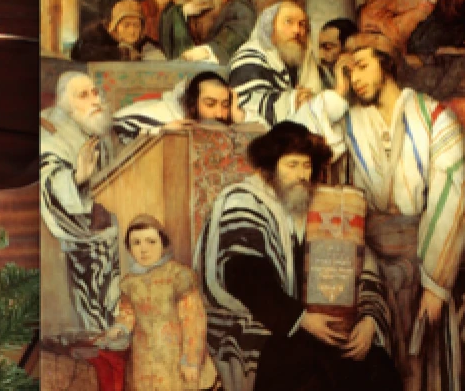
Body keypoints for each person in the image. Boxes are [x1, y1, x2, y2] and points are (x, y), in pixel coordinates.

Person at [289, 33, 465, 390]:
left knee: (427, 370)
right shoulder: (350, 122)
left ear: (387, 64)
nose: (354, 77)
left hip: (428, 263)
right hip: (372, 268)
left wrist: (436, 283)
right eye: (347, 70)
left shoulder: (437, 119)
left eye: (361, 67)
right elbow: (302, 143)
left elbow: (452, 198)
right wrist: (338, 94)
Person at [195, 122, 399, 391]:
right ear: (270, 167)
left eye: (306, 166)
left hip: (315, 324)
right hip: (259, 324)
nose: (302, 175)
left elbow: (363, 264)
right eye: (292, 165)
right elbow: (244, 277)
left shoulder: (321, 203)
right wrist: (300, 318)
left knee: (375, 364)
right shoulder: (242, 201)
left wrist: (369, 320)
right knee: (305, 371)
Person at [40, 72, 121, 330]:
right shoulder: (49, 131)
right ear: (65, 103)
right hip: (77, 237)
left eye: (95, 92)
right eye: (83, 95)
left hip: (106, 225)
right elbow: (47, 181)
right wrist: (76, 178)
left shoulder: (97, 125)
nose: (95, 99)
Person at [98, 215, 214, 390]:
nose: (143, 249)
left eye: (151, 242)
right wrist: (120, 327)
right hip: (143, 360)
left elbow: (194, 321)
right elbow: (128, 312)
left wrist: (191, 360)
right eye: (136, 243)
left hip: (176, 358)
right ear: (129, 249)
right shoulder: (130, 282)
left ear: (163, 244)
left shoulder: (179, 276)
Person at [229, 2, 326, 126]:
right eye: (288, 22)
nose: (297, 30)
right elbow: (249, 104)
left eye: (302, 25)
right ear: (270, 27)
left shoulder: (299, 59)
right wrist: (294, 100)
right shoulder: (251, 55)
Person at [112, 71, 261, 143]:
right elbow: (117, 123)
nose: (220, 113)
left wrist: (239, 116)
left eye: (225, 105)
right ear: (192, 105)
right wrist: (161, 131)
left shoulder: (228, 116)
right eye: (210, 104)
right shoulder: (163, 113)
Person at [70, 0, 165, 62]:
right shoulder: (97, 35)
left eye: (136, 25)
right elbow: (78, 53)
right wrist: (122, 53)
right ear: (115, 26)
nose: (132, 31)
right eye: (126, 25)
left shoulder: (142, 40)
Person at [317, 18, 359, 89]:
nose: (320, 56)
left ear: (349, 48)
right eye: (319, 48)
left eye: (328, 47)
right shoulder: (320, 77)